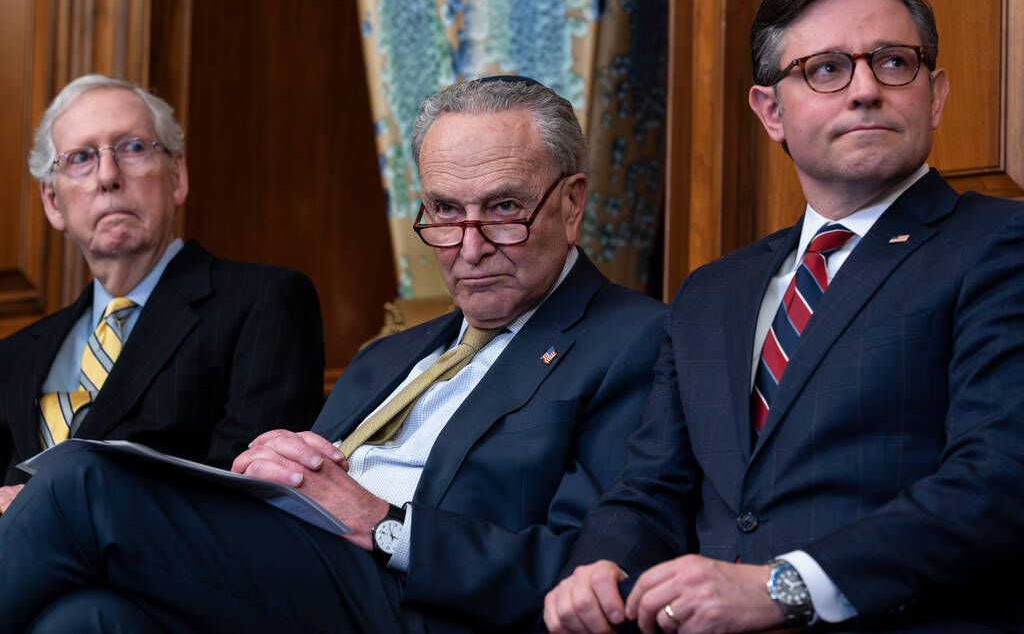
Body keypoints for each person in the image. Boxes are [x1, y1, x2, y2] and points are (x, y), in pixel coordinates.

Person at [0, 76, 667, 633]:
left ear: (572, 203)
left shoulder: (635, 339)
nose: (468, 248)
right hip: (299, 579)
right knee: (84, 618)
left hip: (419, 603)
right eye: (443, 211)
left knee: (79, 481)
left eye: (503, 209)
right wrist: (267, 470)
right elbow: (299, 496)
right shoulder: (391, 355)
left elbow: (590, 568)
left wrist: (385, 526)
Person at [544, 0, 1024, 633]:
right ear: (771, 110)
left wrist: (784, 586)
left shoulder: (1000, 244)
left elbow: (998, 479)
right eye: (826, 69)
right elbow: (650, 489)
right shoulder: (711, 292)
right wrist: (599, 567)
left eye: (893, 62)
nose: (865, 89)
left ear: (935, 92)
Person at [0, 74, 325, 513]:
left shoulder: (264, 302)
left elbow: (247, 498)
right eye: (80, 158)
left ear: (177, 175)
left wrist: (56, 506)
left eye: (132, 148)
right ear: (53, 202)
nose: (108, 176)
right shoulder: (14, 356)